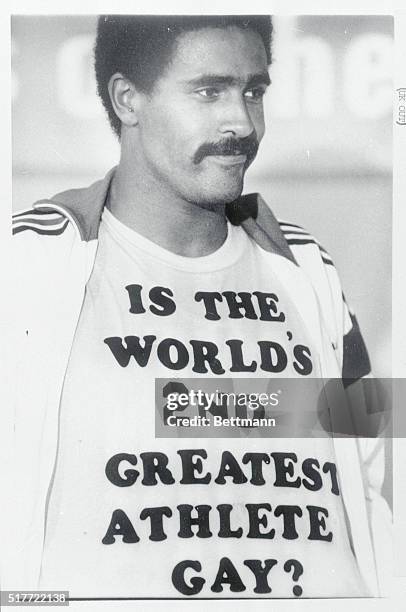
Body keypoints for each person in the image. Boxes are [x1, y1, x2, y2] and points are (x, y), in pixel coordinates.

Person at [6, 15, 391, 599]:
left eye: (253, 91)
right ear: (127, 98)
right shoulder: (31, 264)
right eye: (208, 91)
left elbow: (373, 475)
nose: (240, 121)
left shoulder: (308, 267)